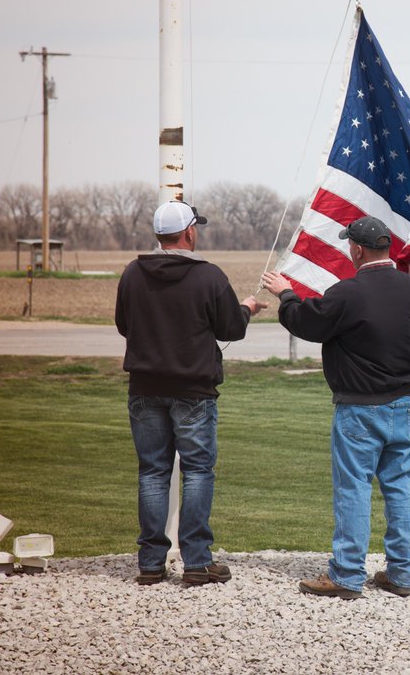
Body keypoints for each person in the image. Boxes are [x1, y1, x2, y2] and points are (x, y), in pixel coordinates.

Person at [260, 216, 410, 599]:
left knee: (353, 488)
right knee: (400, 486)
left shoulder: (347, 292)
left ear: (356, 249)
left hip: (358, 408)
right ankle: (401, 574)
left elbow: (308, 323)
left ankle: (348, 576)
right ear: (389, 247)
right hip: (404, 404)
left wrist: (286, 295)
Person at [115, 200, 266, 586]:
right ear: (190, 233)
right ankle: (197, 561)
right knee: (197, 471)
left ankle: (151, 562)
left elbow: (123, 325)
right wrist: (247, 307)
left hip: (145, 388)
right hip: (194, 391)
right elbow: (231, 327)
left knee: (152, 473)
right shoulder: (208, 276)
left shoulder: (133, 273)